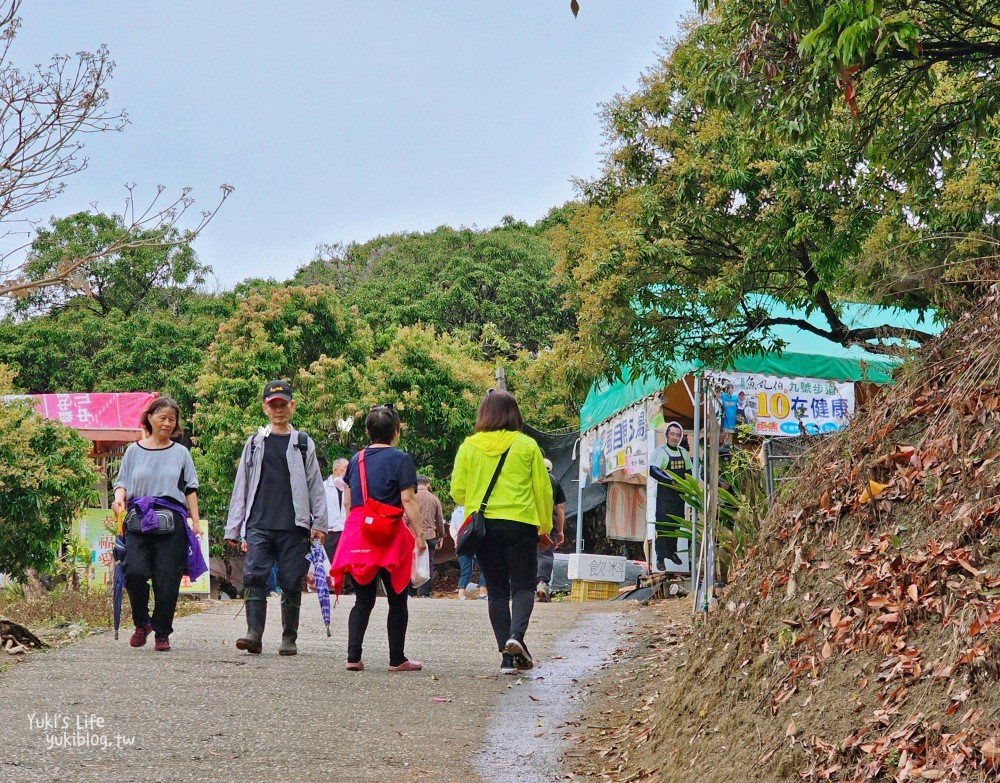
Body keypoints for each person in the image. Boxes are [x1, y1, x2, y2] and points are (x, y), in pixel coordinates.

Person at [451, 390, 552, 675]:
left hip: (485, 529)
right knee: (523, 586)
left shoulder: (469, 446)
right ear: (514, 414)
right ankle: (516, 638)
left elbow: (457, 491)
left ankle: (507, 660)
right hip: (521, 525)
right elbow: (542, 491)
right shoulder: (527, 445)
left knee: (496, 591)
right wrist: (544, 528)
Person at [224, 380, 328, 656]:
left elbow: (315, 484)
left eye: (283, 405)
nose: (278, 410)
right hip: (259, 522)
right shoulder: (256, 442)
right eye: (273, 406)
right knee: (254, 576)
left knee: (291, 580)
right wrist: (233, 527)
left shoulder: (303, 443)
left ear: (292, 406)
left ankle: (288, 637)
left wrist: (319, 523)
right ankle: (254, 634)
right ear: (265, 409)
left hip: (294, 526)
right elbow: (242, 484)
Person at [329, 404, 427, 672]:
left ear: (368, 431)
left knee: (363, 599)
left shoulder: (355, 460)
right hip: (390, 532)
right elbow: (407, 499)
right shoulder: (401, 459)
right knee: (397, 598)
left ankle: (353, 657)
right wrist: (420, 535)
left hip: (360, 531)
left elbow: (348, 503)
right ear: (396, 431)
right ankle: (397, 659)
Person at [112, 397, 203, 652]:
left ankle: (162, 632)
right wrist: (119, 500)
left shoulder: (181, 453)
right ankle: (142, 623)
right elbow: (122, 482)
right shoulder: (133, 451)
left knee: (167, 578)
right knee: (135, 572)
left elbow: (190, 488)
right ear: (150, 418)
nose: (166, 423)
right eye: (162, 417)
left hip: (171, 520)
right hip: (138, 519)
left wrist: (195, 522)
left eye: (171, 419)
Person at [648, 421, 692, 570]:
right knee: (663, 526)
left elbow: (689, 472)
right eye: (672, 434)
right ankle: (660, 557)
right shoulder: (660, 452)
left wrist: (688, 486)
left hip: (679, 498)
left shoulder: (683, 453)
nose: (675, 437)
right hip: (664, 498)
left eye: (678, 435)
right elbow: (653, 470)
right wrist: (669, 480)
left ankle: (672, 552)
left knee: (676, 527)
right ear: (666, 434)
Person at [536, 457, 566, 602]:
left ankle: (525, 587)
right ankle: (542, 584)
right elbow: (560, 507)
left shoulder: (529, 478)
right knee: (545, 553)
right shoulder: (554, 481)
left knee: (525, 553)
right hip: (549, 522)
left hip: (528, 520)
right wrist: (560, 530)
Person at [413, 475, 445, 597]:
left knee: (411, 563)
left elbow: (405, 517)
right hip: (430, 536)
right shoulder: (434, 499)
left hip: (413, 536)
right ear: (428, 485)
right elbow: (440, 520)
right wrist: (441, 536)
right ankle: (425, 593)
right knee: (428, 564)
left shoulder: (411, 497)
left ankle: (410, 592)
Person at [323, 459, 350, 594]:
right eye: (345, 468)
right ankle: (332, 586)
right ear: (336, 470)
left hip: (346, 528)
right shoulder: (323, 487)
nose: (348, 470)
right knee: (330, 558)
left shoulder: (349, 486)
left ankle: (348, 587)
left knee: (347, 558)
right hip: (330, 527)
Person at [450, 506, 487, 600]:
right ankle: (483, 592)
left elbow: (452, 527)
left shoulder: (456, 512)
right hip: (476, 542)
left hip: (461, 543)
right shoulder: (477, 509)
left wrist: (455, 539)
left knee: (465, 570)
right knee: (484, 567)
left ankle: (461, 594)